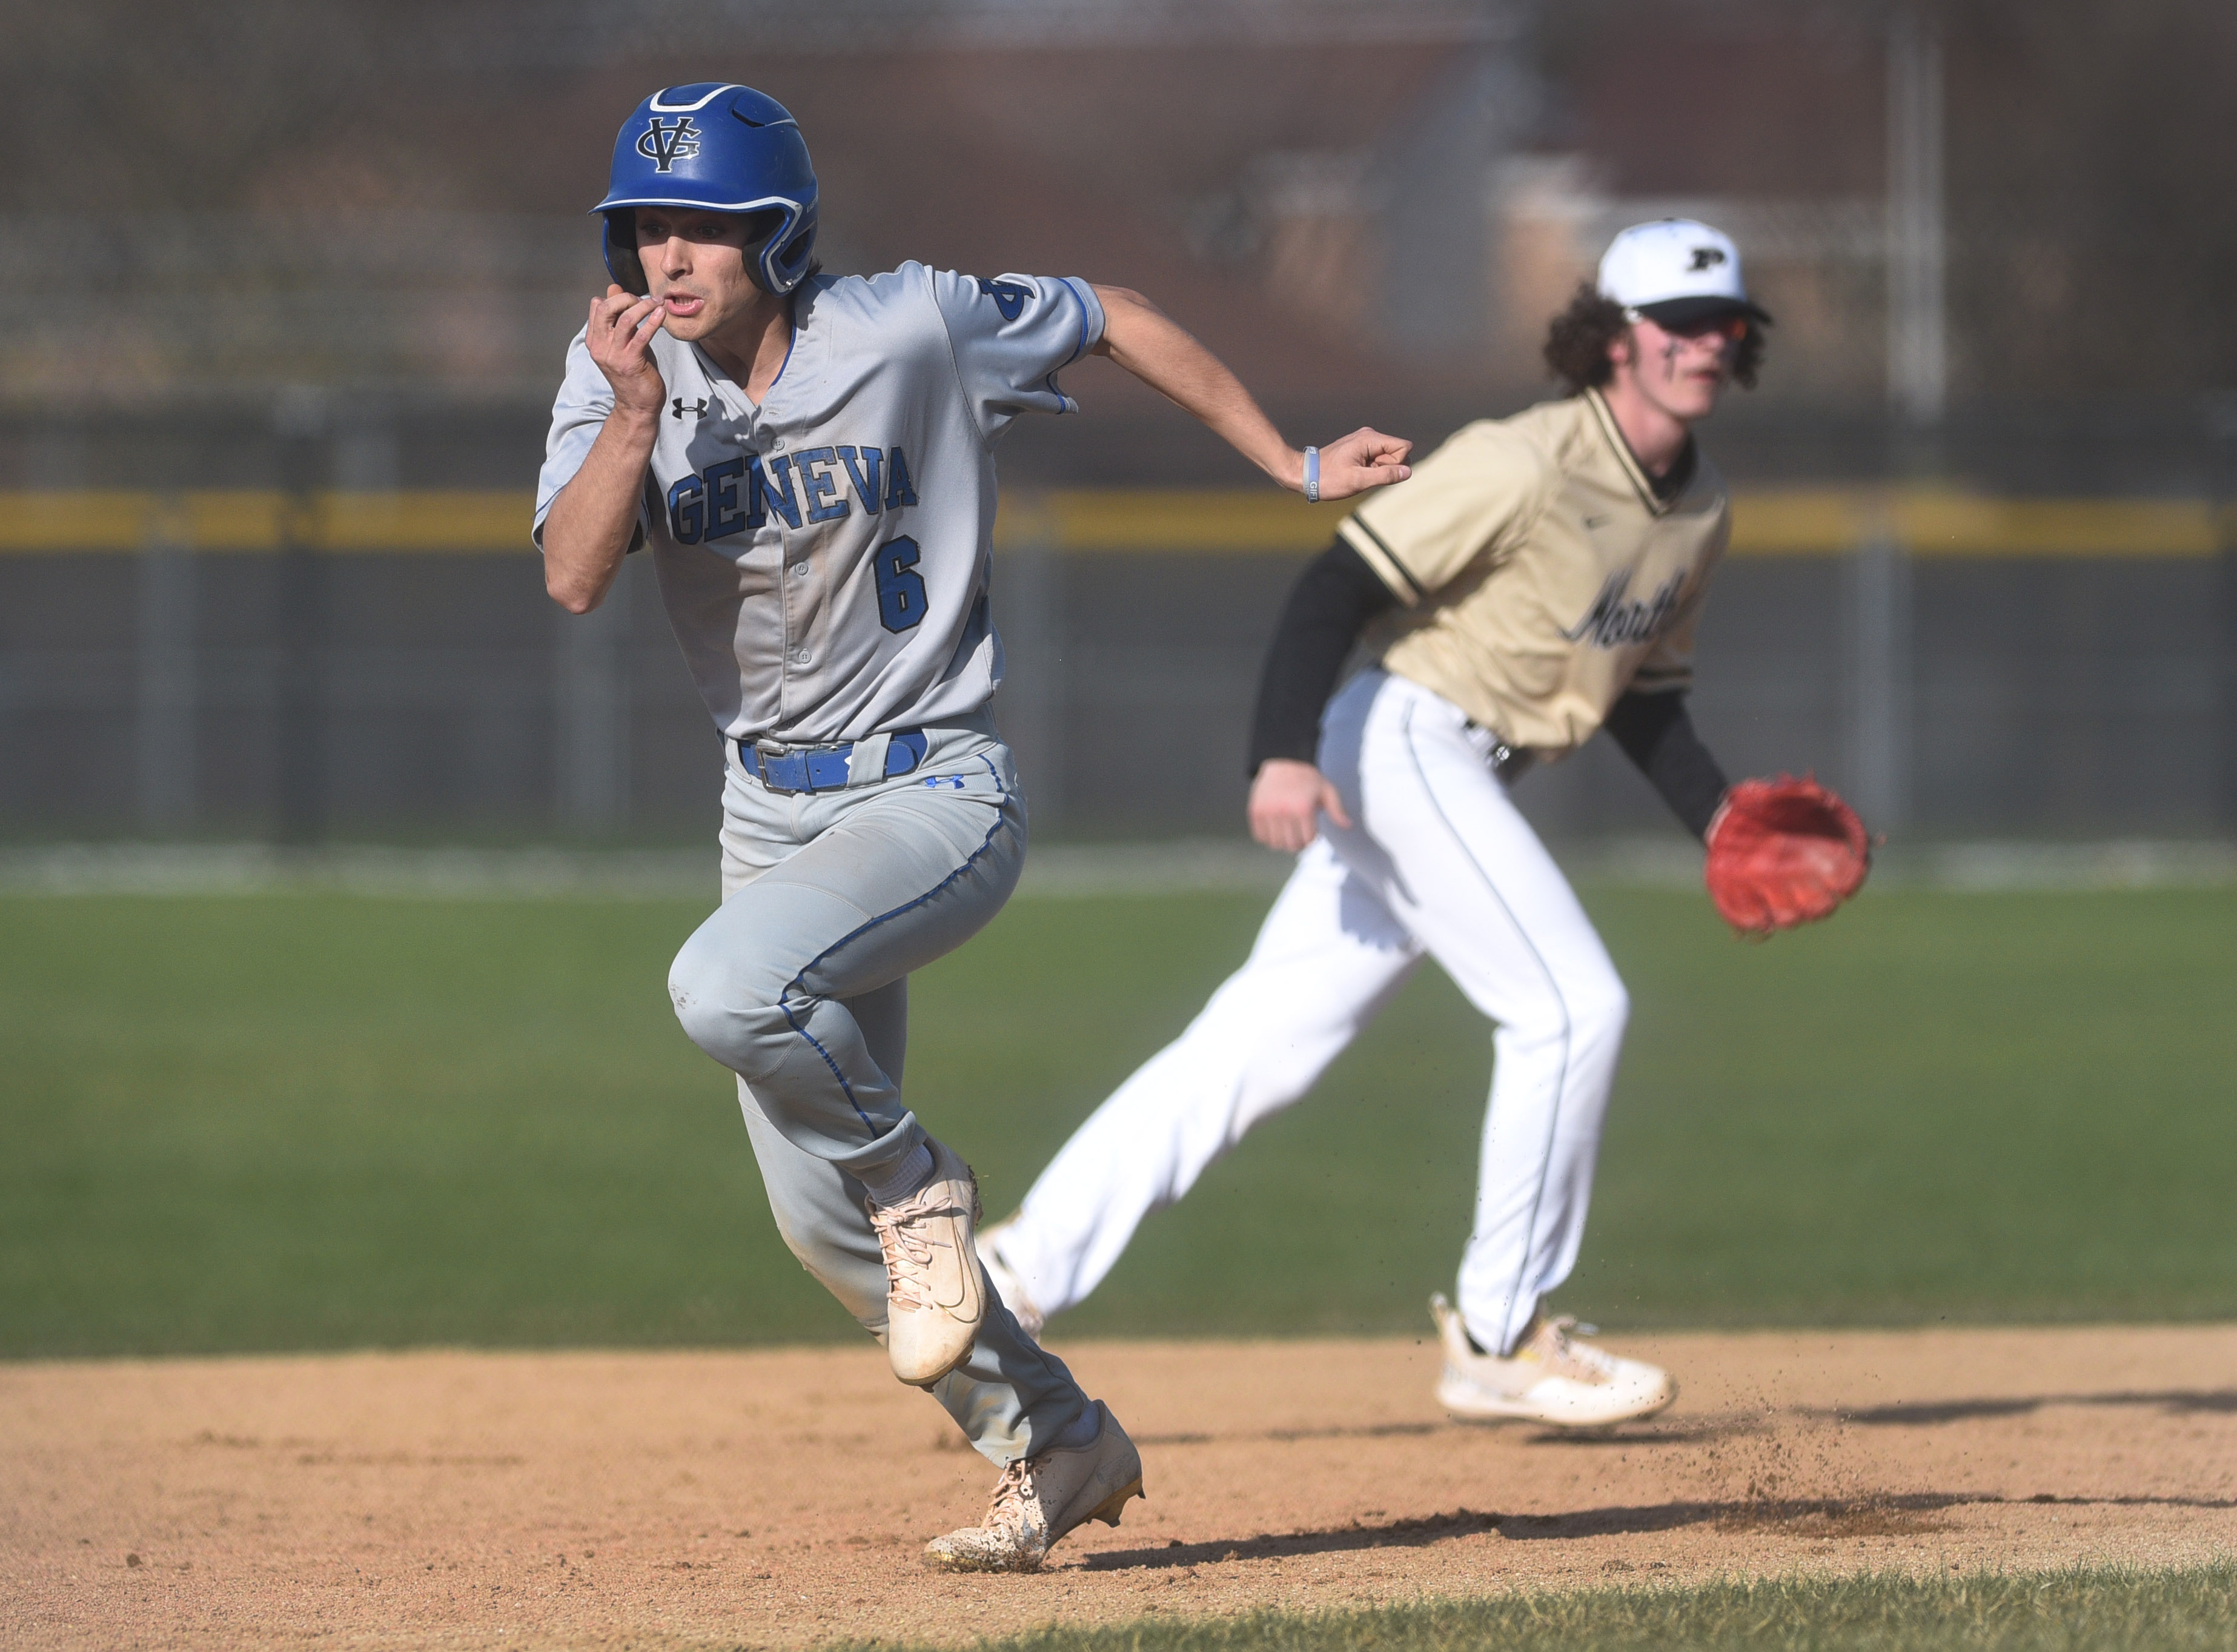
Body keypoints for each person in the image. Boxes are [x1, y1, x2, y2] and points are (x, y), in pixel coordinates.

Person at [533, 82, 1410, 1570]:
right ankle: (1054, 1441)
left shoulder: (909, 326)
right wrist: (628, 417)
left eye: (710, 229)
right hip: (768, 810)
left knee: (726, 990)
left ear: (782, 235)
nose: (671, 257)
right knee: (819, 1226)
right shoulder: (621, 376)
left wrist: (1288, 460)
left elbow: (1115, 311)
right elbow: (570, 573)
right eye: (647, 227)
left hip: (934, 784)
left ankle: (915, 1179)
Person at [979, 219, 1776, 1430]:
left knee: (1255, 1044)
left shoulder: (1697, 508)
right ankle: (1500, 1336)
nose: (1699, 345)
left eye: (1719, 323)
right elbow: (1334, 586)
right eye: (1671, 321)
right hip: (1403, 740)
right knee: (1569, 1007)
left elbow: (1642, 696)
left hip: (1459, 772)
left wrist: (1720, 819)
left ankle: (1013, 1271)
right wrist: (1280, 752)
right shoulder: (1524, 459)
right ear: (1614, 339)